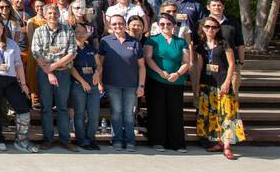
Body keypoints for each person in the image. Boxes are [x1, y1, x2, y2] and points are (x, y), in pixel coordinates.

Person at [0, 17, 35, 152]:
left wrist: (24, 83)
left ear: (4, 29)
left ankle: (21, 140)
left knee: (23, 109)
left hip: (10, 81)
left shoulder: (12, 44)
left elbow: (19, 64)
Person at [30, 3, 78, 152]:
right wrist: (49, 72)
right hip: (44, 74)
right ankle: (48, 139)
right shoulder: (38, 31)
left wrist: (54, 66)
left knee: (63, 107)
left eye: (55, 12)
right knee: (46, 108)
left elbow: (72, 52)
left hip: (63, 73)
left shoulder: (68, 30)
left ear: (59, 14)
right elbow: (36, 53)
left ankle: (65, 139)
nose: (52, 15)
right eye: (49, 13)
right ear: (44, 15)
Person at [195, 16, 243, 159]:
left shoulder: (224, 43)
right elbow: (200, 66)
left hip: (222, 83)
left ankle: (227, 146)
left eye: (214, 27)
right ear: (202, 28)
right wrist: (197, 85)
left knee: (227, 115)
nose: (211, 29)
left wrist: (227, 82)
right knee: (212, 116)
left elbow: (232, 65)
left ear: (218, 29)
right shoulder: (201, 45)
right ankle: (218, 142)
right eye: (207, 26)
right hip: (207, 84)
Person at [144, 13, 191, 152]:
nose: (165, 26)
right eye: (162, 24)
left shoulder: (181, 42)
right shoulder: (152, 40)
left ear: (174, 25)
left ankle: (177, 143)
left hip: (176, 82)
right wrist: (160, 72)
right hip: (156, 80)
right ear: (158, 26)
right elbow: (148, 58)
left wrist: (177, 74)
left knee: (175, 112)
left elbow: (186, 62)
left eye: (169, 24)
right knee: (157, 111)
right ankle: (157, 141)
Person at [97, 13, 145, 151]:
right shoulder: (105, 41)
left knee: (129, 113)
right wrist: (100, 83)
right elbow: (100, 64)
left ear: (125, 25)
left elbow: (141, 66)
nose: (118, 26)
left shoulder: (134, 42)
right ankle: (117, 139)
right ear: (110, 26)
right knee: (116, 112)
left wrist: (141, 85)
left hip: (131, 85)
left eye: (120, 23)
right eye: (114, 24)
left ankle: (130, 141)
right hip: (112, 84)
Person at [69, 23, 103, 150]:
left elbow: (99, 65)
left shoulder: (91, 48)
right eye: (78, 31)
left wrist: (97, 74)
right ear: (73, 34)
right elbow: (71, 67)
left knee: (94, 114)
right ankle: (81, 140)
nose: (81, 34)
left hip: (93, 85)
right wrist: (82, 82)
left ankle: (91, 139)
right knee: (79, 114)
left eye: (84, 31)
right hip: (79, 85)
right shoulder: (72, 49)